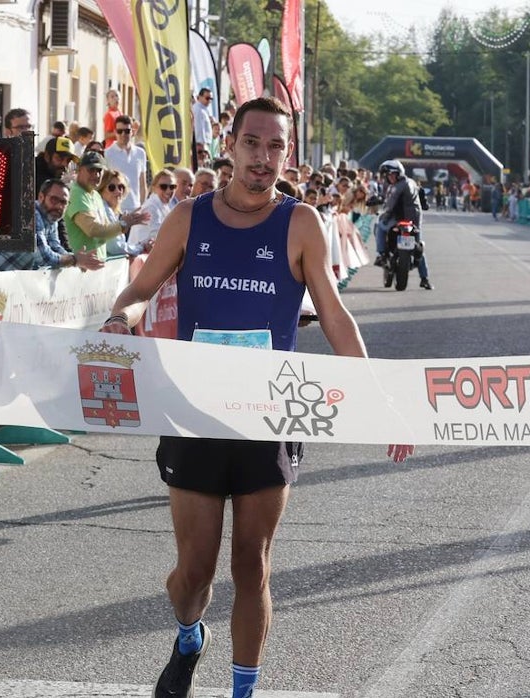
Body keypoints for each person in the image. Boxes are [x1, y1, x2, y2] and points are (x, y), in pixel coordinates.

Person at [100, 97, 412, 698]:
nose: (263, 158)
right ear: (231, 146)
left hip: (270, 415)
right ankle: (189, 634)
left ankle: (244, 690)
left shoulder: (301, 224)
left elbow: (335, 315)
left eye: (275, 147)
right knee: (193, 573)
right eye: (253, 143)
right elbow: (139, 290)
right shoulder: (190, 217)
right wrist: (122, 319)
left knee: (252, 564)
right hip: (193, 413)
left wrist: (381, 397)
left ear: (285, 154)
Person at [0, 179, 104, 272]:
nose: (59, 206)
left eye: (64, 202)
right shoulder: (30, 215)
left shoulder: (51, 217)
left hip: (14, 281)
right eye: (54, 200)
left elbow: (55, 247)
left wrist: (76, 259)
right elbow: (45, 258)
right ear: (41, 197)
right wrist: (75, 260)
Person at [64, 151, 149, 260]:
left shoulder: (95, 195)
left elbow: (106, 231)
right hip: (80, 269)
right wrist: (122, 224)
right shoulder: (76, 193)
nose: (96, 174)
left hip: (96, 267)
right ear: (79, 170)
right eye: (91, 170)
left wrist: (123, 223)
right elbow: (93, 230)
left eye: (99, 170)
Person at [376, 159, 432, 290]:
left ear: (399, 173)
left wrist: (384, 217)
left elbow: (390, 206)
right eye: (388, 175)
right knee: (417, 247)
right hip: (415, 222)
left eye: (392, 174)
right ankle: (425, 278)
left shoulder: (397, 186)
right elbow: (423, 199)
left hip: (399, 220)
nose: (390, 177)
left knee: (379, 226)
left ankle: (382, 255)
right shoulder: (412, 183)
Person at [103, 115, 147, 212]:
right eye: (120, 131)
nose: (123, 134)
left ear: (132, 132)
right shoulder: (107, 154)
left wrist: (142, 207)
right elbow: (104, 183)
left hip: (136, 208)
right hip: (115, 209)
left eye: (127, 131)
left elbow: (142, 184)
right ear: (115, 132)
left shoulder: (140, 153)